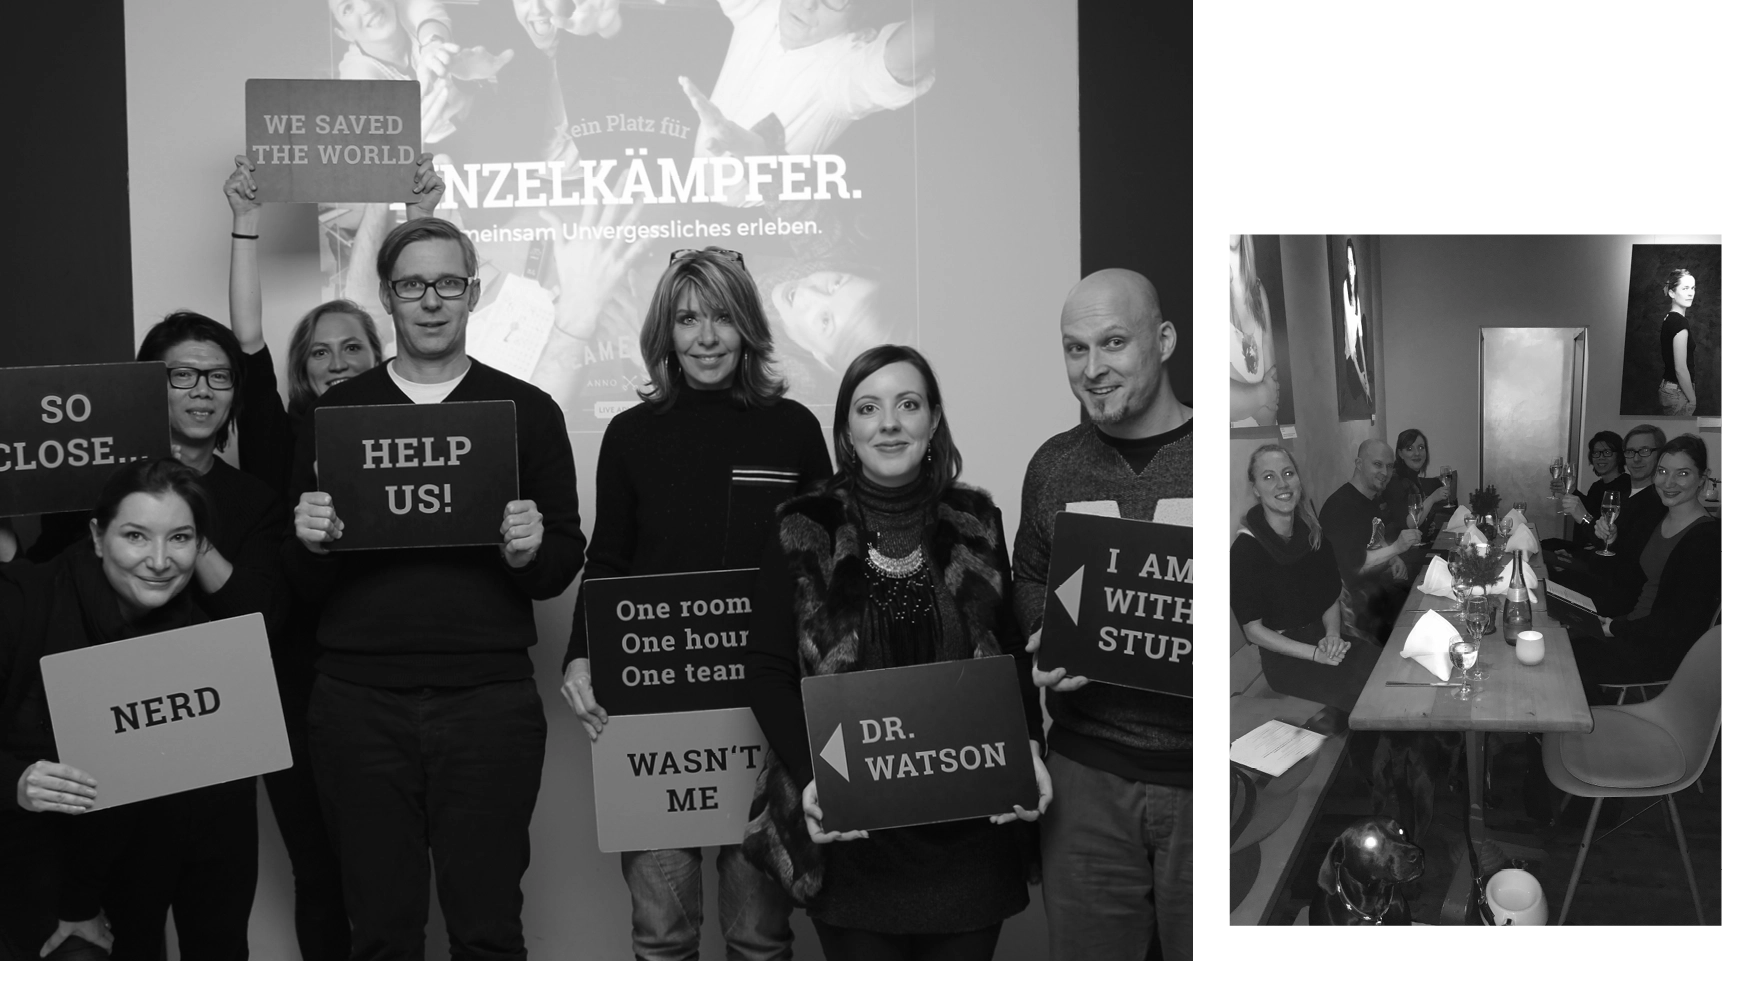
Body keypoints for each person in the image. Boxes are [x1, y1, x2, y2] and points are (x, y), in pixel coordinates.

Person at [287, 217, 586, 966]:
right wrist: (310, 540)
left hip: (487, 704)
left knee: (488, 932)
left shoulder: (528, 411)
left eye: (448, 283)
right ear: (387, 296)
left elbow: (560, 565)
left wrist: (531, 549)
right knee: (379, 936)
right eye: (413, 285)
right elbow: (299, 583)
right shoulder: (334, 415)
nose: (430, 300)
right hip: (358, 705)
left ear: (473, 294)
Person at [557, 247, 832, 967]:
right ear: (665, 333)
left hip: (766, 714)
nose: (706, 337)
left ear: (747, 328)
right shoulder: (630, 434)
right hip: (655, 713)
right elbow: (607, 561)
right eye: (687, 319)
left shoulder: (794, 429)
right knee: (662, 943)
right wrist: (580, 654)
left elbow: (822, 571)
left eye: (722, 317)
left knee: (760, 942)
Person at [741, 345, 1049, 967]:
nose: (889, 423)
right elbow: (768, 673)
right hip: (853, 839)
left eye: (908, 405)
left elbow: (1012, 653)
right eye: (868, 408)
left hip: (971, 840)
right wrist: (813, 779)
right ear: (847, 432)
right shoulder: (801, 528)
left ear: (933, 422)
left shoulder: (977, 521)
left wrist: (1030, 751)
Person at [223, 154, 442, 966]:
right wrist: (245, 223)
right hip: (292, 684)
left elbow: (437, 328)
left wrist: (418, 218)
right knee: (318, 870)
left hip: (382, 679)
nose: (337, 361)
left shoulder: (407, 426)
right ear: (301, 369)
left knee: (385, 872)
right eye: (319, 352)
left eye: (354, 347)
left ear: (379, 356)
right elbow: (246, 341)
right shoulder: (280, 433)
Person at [1010, 269, 1218, 967]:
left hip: (1211, 775)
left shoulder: (1233, 453)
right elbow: (1030, 575)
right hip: (1087, 773)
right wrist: (1046, 630)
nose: (1092, 368)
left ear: (1164, 341)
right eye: (1076, 349)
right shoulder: (1053, 465)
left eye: (1114, 343)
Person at [1, 460, 257, 966]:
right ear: (98, 537)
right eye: (136, 536)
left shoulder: (202, 636)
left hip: (150, 851)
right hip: (39, 854)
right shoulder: (22, 603)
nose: (159, 561)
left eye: (179, 538)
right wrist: (16, 782)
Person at [1568, 435, 1725, 703]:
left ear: (1702, 478)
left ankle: (1592, 721)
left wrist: (1616, 627)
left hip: (1659, 651)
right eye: (1663, 471)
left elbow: (1678, 622)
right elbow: (1629, 576)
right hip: (1633, 627)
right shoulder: (1658, 518)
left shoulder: (1706, 539)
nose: (1668, 482)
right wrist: (1611, 543)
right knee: (1559, 639)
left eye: (1683, 473)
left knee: (1564, 661)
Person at [685, 0, 936, 164]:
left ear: (860, 14)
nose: (807, 4)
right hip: (685, 177)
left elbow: (899, 59)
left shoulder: (845, 69)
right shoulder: (765, 8)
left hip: (765, 223)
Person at [1227, 445, 1377, 714]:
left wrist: (1332, 636)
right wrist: (1316, 655)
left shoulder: (1312, 533)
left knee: (1382, 667)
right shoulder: (1246, 550)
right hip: (1286, 660)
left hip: (1323, 640)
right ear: (1255, 489)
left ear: (1298, 480)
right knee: (1364, 699)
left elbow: (1330, 595)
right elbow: (1253, 631)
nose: (1282, 484)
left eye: (1288, 473)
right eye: (1269, 477)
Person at [1549, 424, 1667, 617]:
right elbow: (1605, 544)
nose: (1636, 458)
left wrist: (1584, 518)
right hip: (1598, 575)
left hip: (1614, 594)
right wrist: (1576, 556)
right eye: (1631, 452)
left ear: (1660, 455)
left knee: (1546, 582)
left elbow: (1621, 556)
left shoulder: (1656, 501)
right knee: (1542, 566)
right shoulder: (1624, 495)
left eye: (1645, 451)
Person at [1318, 439, 1422, 645]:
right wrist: (1396, 548)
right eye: (1377, 464)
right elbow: (1355, 566)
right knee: (1415, 622)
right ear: (1359, 464)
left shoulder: (1369, 499)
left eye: (1389, 466)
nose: (1385, 472)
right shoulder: (1340, 508)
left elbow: (1373, 537)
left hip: (1376, 588)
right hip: (1353, 605)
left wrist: (1393, 557)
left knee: (1421, 597)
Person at [1223, 231, 1279, 426]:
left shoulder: (1258, 292)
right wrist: (1263, 393)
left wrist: (1247, 396)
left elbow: (1271, 411)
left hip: (1265, 436)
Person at [1553, 430, 1631, 549]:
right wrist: (1571, 490)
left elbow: (1591, 520)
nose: (1600, 457)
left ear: (1619, 456)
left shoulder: (1626, 486)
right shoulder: (1597, 486)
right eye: (1596, 453)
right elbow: (1589, 509)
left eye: (1607, 452)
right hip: (1584, 550)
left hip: (1603, 550)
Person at [1379, 429, 1451, 538]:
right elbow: (1408, 524)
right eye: (1410, 449)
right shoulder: (1395, 481)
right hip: (1395, 545)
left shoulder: (1412, 478)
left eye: (1421, 447)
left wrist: (1425, 525)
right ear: (1400, 454)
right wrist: (1433, 498)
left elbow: (1416, 520)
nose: (1417, 453)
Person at [1657, 269, 1698, 417]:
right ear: (1672, 293)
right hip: (1677, 392)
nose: (1690, 293)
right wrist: (1692, 399)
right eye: (1685, 288)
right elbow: (1680, 368)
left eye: (1692, 288)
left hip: (1670, 389)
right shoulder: (1679, 323)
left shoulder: (1669, 318)